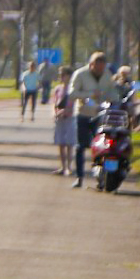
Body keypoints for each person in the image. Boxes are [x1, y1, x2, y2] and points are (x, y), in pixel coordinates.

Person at [68, 51, 110, 187]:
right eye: (98, 68)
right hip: (83, 115)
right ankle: (79, 177)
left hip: (101, 115)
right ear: (91, 64)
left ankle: (100, 176)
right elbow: (72, 93)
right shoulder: (80, 74)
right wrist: (90, 94)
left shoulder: (107, 75)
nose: (100, 71)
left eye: (102, 68)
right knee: (81, 146)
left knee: (102, 146)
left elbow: (112, 91)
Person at [49, 64, 77, 175]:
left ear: (69, 76)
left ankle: (69, 167)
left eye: (63, 74)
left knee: (70, 143)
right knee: (60, 143)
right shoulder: (58, 89)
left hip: (70, 118)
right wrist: (54, 113)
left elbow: (76, 104)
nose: (61, 76)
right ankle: (62, 166)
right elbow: (54, 103)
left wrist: (66, 111)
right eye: (60, 74)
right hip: (59, 119)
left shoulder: (73, 89)